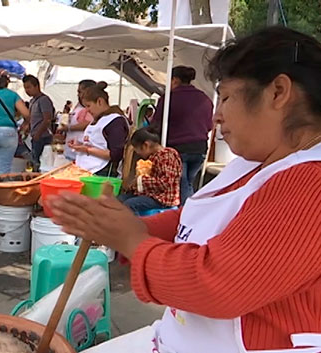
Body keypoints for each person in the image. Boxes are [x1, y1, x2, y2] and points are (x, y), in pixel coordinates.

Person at [48, 27, 321, 353]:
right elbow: (198, 218)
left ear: (278, 92)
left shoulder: (311, 184)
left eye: (227, 97)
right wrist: (122, 226)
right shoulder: (256, 162)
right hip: (180, 338)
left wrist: (132, 240)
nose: (217, 115)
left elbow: (219, 287)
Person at [151, 66, 213, 205]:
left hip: (178, 148)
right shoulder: (205, 98)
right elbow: (210, 126)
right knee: (189, 183)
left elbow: (156, 124)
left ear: (175, 80)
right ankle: (188, 211)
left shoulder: (168, 98)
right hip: (200, 148)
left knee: (182, 185)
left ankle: (185, 215)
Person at [70, 82, 129, 177]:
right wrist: (80, 144)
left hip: (101, 172)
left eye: (88, 106)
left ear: (100, 101)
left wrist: (87, 150)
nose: (87, 110)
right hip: (87, 169)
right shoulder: (98, 119)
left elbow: (115, 154)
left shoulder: (115, 121)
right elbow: (96, 144)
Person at [119, 127, 181, 215]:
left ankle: (135, 226)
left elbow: (165, 183)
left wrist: (141, 181)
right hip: (151, 194)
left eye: (137, 149)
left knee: (129, 205)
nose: (137, 153)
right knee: (119, 199)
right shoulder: (153, 157)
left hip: (162, 199)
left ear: (145, 145)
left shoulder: (167, 156)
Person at [22, 74, 55, 169]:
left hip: (42, 136)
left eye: (29, 87)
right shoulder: (32, 101)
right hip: (34, 135)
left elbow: (47, 119)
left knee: (40, 162)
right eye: (25, 88)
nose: (27, 90)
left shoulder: (44, 100)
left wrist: (38, 134)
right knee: (34, 160)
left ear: (37, 86)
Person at [62, 79, 96, 161]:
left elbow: (88, 123)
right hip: (71, 149)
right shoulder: (79, 106)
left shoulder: (90, 108)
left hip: (80, 152)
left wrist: (69, 128)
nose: (78, 95)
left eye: (80, 92)